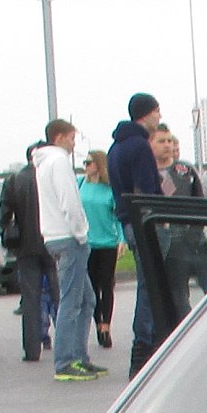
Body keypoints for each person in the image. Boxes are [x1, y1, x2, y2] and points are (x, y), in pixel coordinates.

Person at [34, 119, 101, 382]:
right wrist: (81, 233)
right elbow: (69, 201)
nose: (74, 144)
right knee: (71, 301)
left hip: (53, 236)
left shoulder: (42, 163)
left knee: (87, 300)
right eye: (72, 138)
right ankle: (65, 361)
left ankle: (80, 356)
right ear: (60, 137)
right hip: (69, 237)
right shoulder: (59, 161)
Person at [108, 93, 165, 375]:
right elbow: (146, 189)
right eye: (157, 112)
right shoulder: (140, 146)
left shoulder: (115, 147)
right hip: (144, 221)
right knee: (151, 285)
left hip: (127, 222)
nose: (160, 118)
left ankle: (143, 346)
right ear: (145, 114)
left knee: (146, 283)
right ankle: (145, 346)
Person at [151, 127, 207, 319]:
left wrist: (197, 229)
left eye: (169, 141)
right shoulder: (148, 175)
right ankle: (188, 329)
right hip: (169, 240)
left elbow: (200, 200)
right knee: (178, 294)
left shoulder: (185, 170)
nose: (167, 145)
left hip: (194, 238)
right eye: (161, 141)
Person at [0, 144, 53, 362]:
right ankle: (70, 347)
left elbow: (3, 216)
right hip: (52, 242)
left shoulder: (14, 181)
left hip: (25, 247)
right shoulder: (51, 175)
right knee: (61, 296)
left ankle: (32, 349)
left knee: (30, 299)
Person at [78, 149, 121, 350]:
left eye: (89, 162)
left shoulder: (110, 189)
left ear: (99, 165)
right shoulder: (80, 184)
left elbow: (118, 216)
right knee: (92, 287)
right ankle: (98, 324)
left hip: (108, 243)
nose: (86, 166)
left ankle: (106, 326)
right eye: (84, 163)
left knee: (106, 285)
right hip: (87, 243)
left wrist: (121, 240)